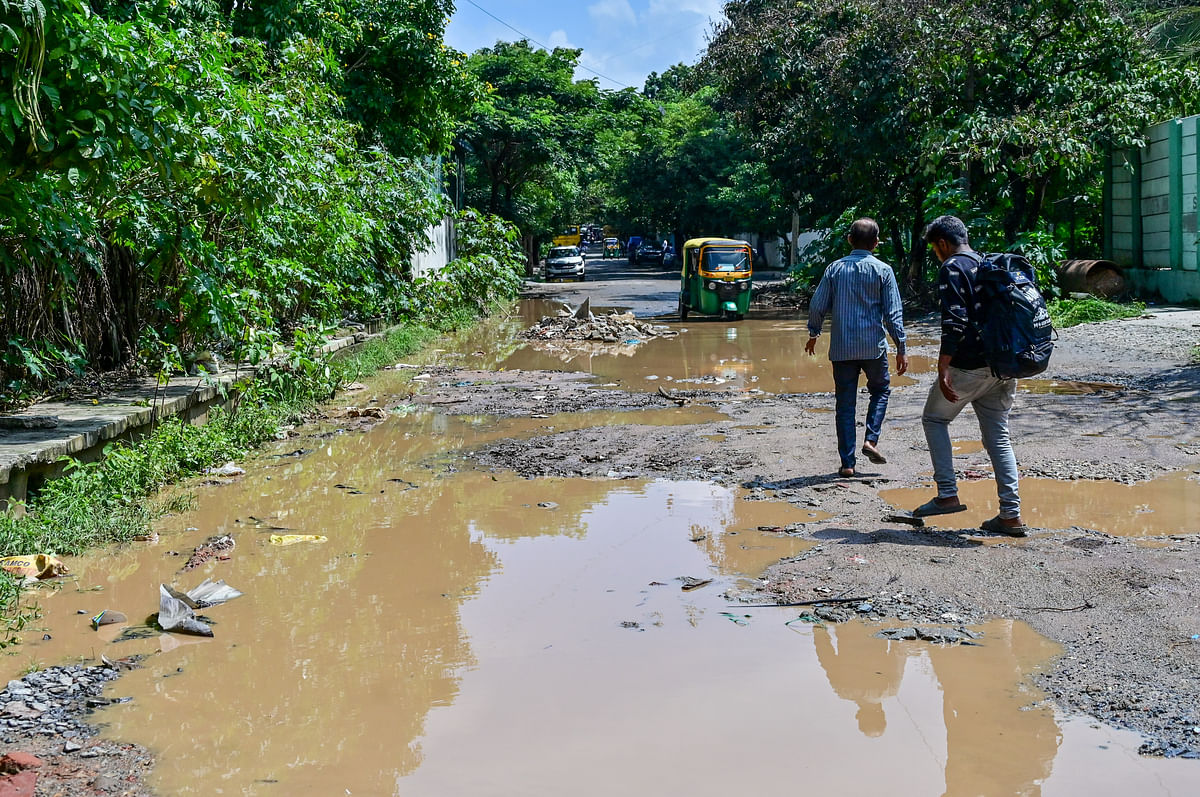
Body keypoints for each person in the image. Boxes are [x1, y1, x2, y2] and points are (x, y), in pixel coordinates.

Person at [913, 215, 1028, 536]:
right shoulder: (990, 265)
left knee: (934, 420)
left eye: (935, 248)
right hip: (1004, 365)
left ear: (942, 244)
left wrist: (943, 365)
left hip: (969, 366)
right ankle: (1010, 515)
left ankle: (947, 494)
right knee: (998, 437)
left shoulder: (953, 267)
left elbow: (955, 321)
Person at [805, 218, 908, 477]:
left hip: (842, 349)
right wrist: (901, 347)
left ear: (850, 240)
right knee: (881, 391)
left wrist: (814, 333)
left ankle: (848, 464)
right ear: (876, 243)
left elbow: (818, 305)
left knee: (845, 405)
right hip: (873, 347)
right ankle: (870, 440)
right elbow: (893, 315)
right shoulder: (883, 270)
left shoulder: (835, 269)